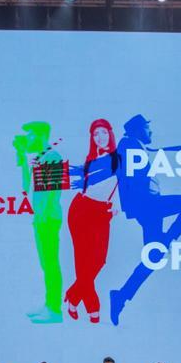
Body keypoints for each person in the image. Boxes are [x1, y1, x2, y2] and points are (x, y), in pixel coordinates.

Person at [106, 113, 181, 325]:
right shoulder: (128, 144)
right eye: (148, 128)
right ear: (139, 129)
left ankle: (120, 296)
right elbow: (129, 170)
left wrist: (175, 150)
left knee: (153, 257)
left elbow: (149, 155)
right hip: (148, 205)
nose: (151, 132)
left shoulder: (134, 145)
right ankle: (170, 238)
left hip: (149, 206)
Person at [63, 119, 118, 325]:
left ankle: (73, 295)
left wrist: (117, 207)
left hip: (102, 212)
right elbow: (72, 174)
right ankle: (93, 307)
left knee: (99, 260)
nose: (100, 137)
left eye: (103, 132)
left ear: (110, 134)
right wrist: (42, 168)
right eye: (95, 134)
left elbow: (126, 187)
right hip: (81, 209)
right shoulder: (90, 161)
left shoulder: (118, 160)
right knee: (82, 260)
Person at [14, 120, 65, 324]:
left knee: (51, 263)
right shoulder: (39, 158)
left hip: (48, 218)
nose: (28, 139)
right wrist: (20, 156)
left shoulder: (53, 157)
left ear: (42, 136)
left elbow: (54, 192)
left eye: (31, 136)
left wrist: (43, 217)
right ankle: (49, 304)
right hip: (42, 217)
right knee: (46, 263)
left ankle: (54, 309)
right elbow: (26, 186)